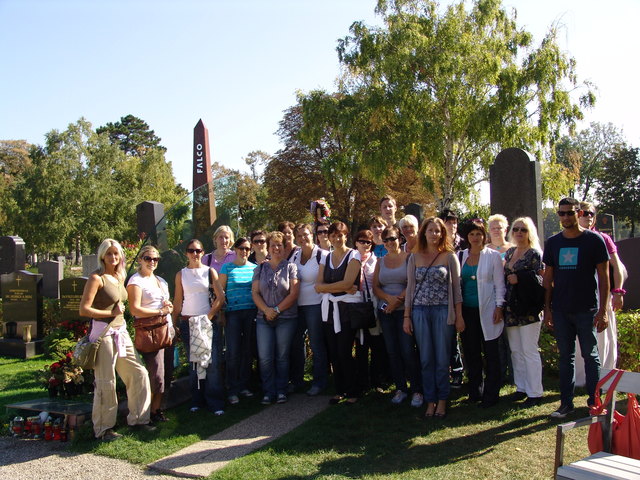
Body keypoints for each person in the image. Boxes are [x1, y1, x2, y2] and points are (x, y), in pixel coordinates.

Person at [79, 239, 153, 441]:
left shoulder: (119, 276)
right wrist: (109, 313)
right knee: (106, 381)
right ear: (102, 256)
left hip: (121, 332)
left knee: (138, 373)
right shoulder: (97, 278)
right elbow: (84, 309)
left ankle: (139, 420)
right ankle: (104, 429)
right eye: (109, 253)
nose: (113, 257)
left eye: (116, 253)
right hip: (103, 334)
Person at [543, 197, 610, 418]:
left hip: (586, 309)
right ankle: (566, 404)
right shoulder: (553, 243)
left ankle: (595, 402)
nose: (565, 217)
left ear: (579, 213)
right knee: (566, 357)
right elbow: (548, 278)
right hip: (561, 309)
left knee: (591, 355)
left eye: (570, 213)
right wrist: (548, 309)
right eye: (561, 213)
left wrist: (603, 310)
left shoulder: (594, 240)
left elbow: (604, 277)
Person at [404, 217, 464, 418]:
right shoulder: (414, 257)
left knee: (442, 359)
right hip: (420, 312)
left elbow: (457, 290)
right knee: (426, 359)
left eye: (437, 231)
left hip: (443, 312)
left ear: (442, 234)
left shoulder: (449, 257)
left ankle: (442, 400)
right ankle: (430, 400)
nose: (434, 234)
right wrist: (407, 316)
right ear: (424, 233)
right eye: (430, 230)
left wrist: (459, 316)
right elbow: (410, 289)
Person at [574, 201, 628, 384]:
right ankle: (581, 380)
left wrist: (618, 292)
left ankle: (603, 377)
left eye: (591, 213)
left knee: (602, 336)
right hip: (577, 295)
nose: (587, 216)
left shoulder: (603, 239)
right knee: (578, 338)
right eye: (583, 213)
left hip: (600, 294)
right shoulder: (568, 238)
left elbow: (617, 267)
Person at [173, 239, 226, 415]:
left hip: (207, 323)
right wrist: (173, 322)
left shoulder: (210, 272)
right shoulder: (181, 274)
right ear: (186, 253)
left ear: (203, 252)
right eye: (191, 250)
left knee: (212, 363)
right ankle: (197, 400)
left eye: (198, 250)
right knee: (195, 364)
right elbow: (178, 300)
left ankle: (215, 402)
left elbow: (220, 297)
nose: (194, 254)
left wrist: (208, 317)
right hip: (188, 323)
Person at [373, 226, 422, 407]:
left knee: (407, 350)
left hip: (404, 312)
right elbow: (376, 286)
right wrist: (388, 299)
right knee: (392, 351)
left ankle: (417, 389)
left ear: (399, 239)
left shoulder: (409, 258)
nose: (389, 243)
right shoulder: (380, 262)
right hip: (386, 311)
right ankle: (401, 388)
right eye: (385, 240)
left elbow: (413, 283)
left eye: (392, 239)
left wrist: (398, 301)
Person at [459, 220, 506, 408]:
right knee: (471, 353)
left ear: (483, 236)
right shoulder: (461, 256)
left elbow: (500, 285)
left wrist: (499, 307)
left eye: (478, 234)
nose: (475, 237)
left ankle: (491, 394)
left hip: (488, 311)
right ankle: (475, 392)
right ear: (467, 237)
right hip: (467, 312)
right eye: (472, 234)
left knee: (491, 353)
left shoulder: (492, 256)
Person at [315, 221, 362, 404]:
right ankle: (340, 389)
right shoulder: (325, 257)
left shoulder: (354, 255)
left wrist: (328, 287)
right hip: (329, 310)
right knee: (334, 352)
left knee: (344, 351)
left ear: (346, 236)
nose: (337, 239)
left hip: (347, 310)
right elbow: (318, 285)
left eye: (340, 235)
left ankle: (353, 390)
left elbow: (348, 283)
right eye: (333, 235)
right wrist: (341, 287)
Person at [126, 246, 174, 423]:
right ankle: (149, 412)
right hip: (150, 332)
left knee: (165, 372)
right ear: (140, 259)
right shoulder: (136, 281)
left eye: (155, 259)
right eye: (148, 258)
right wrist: (160, 312)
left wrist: (168, 307)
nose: (152, 262)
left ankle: (157, 409)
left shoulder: (161, 281)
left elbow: (164, 304)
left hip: (166, 329)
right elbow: (135, 309)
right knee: (156, 374)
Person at [252, 231, 300, 404]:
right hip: (263, 318)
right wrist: (267, 310)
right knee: (265, 357)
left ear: (284, 247)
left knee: (282, 356)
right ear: (268, 248)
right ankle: (268, 391)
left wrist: (277, 310)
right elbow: (255, 293)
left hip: (286, 318)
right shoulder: (260, 269)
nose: (276, 248)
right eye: (273, 245)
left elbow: (294, 293)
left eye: (279, 245)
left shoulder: (291, 267)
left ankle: (281, 390)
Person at [503, 217, 544, 407]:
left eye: (523, 230)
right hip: (511, 308)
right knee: (516, 351)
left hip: (529, 310)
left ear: (530, 233)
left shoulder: (535, 254)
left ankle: (535, 392)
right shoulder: (510, 252)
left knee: (529, 350)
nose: (519, 233)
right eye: (516, 229)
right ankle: (521, 388)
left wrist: (520, 279)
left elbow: (542, 281)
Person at [290, 223, 329, 395]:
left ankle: (319, 382)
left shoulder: (322, 255)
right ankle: (297, 381)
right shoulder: (294, 256)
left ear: (312, 235)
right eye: (299, 236)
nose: (302, 238)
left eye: (305, 234)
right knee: (295, 344)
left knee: (316, 344)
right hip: (296, 307)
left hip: (315, 305)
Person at [219, 238, 258, 404]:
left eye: (247, 249)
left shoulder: (254, 268)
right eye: (241, 248)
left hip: (250, 312)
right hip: (233, 314)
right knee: (233, 351)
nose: (244, 251)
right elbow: (220, 292)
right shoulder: (227, 267)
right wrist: (221, 313)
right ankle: (232, 389)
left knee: (247, 350)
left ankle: (244, 385)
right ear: (235, 249)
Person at [353, 229, 388, 392]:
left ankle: (377, 380)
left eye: (368, 242)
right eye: (362, 241)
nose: (365, 244)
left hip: (372, 307)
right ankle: (362, 381)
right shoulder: (351, 259)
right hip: (356, 307)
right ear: (356, 242)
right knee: (361, 345)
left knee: (376, 345)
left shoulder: (376, 261)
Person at [439, 208, 465, 388]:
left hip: (462, 292)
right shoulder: (438, 245)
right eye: (449, 222)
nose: (452, 225)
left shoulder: (463, 243)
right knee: (448, 337)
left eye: (454, 222)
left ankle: (458, 371)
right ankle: (452, 371)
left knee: (457, 336)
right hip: (443, 296)